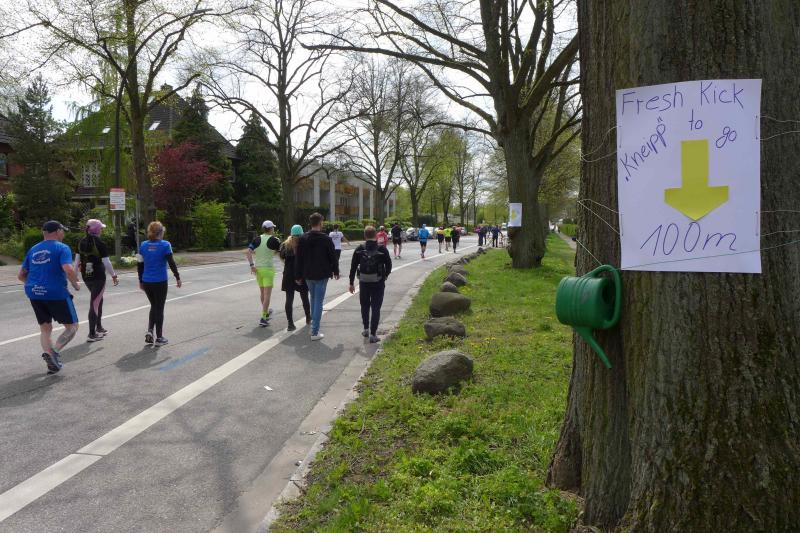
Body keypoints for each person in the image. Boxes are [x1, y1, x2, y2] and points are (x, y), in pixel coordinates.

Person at [18, 221, 81, 374]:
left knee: (45, 328)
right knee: (72, 326)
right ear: (58, 231)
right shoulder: (62, 248)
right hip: (56, 293)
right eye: (63, 231)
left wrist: (33, 285)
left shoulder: (33, 249)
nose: (64, 233)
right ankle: (53, 352)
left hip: (34, 292)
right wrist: (75, 284)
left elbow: (21, 275)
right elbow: (68, 269)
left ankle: (51, 361)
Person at [295, 212, 339, 340]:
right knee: (318, 301)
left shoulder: (303, 238)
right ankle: (315, 331)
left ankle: (314, 326)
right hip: (322, 273)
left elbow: (299, 259)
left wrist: (297, 275)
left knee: (313, 298)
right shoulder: (326, 239)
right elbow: (333, 257)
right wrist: (336, 271)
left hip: (308, 273)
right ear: (320, 223)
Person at [74, 218, 119, 342]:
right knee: (95, 302)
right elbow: (106, 262)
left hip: (86, 275)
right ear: (97, 230)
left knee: (99, 299)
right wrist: (114, 275)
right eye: (101, 229)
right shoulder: (100, 243)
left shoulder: (81, 242)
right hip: (98, 276)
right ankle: (92, 334)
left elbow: (76, 261)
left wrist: (75, 276)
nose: (102, 231)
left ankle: (99, 327)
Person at [138, 221, 181, 346]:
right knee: (159, 308)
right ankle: (159, 337)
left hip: (147, 281)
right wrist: (177, 277)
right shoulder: (165, 245)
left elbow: (139, 264)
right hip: (160, 281)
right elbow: (171, 262)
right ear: (160, 232)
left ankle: (150, 331)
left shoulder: (143, 245)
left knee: (154, 306)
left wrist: (140, 280)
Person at [349, 226, 392, 343]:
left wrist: (351, 283)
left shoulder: (359, 249)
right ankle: (373, 334)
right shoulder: (382, 249)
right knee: (376, 307)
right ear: (376, 235)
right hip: (378, 282)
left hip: (363, 282)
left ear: (364, 236)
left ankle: (366, 329)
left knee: (364, 306)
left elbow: (353, 267)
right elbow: (389, 265)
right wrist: (385, 275)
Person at [247, 220, 281, 326]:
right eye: (273, 228)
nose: (273, 229)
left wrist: (252, 265)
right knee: (267, 295)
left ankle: (265, 314)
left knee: (262, 294)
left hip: (258, 270)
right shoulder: (275, 240)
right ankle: (263, 318)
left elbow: (248, 252)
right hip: (268, 270)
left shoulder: (256, 239)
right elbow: (280, 253)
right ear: (271, 229)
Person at [279, 224, 311, 331]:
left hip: (288, 274)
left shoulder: (285, 244)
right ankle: (308, 318)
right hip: (301, 274)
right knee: (304, 297)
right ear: (302, 233)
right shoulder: (304, 244)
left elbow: (282, 256)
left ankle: (290, 324)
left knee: (289, 299)